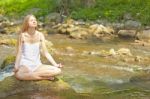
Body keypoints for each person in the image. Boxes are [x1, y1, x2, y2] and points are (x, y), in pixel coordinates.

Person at [13, 14, 62, 80]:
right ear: (26, 23)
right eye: (31, 20)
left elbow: (46, 53)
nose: (34, 21)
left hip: (37, 66)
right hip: (25, 65)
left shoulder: (40, 35)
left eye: (35, 20)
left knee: (58, 70)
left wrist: (55, 64)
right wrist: (16, 66)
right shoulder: (22, 36)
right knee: (18, 74)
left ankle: (32, 76)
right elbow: (19, 52)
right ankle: (44, 77)